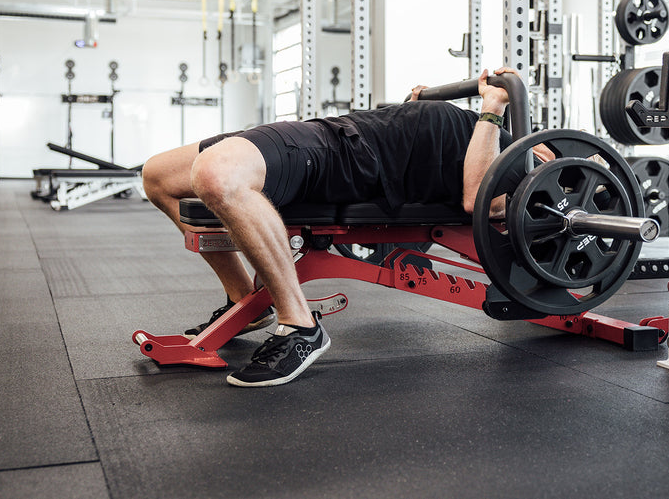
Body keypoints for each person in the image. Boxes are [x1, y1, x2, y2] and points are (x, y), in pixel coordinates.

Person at [142, 67, 537, 388]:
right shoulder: (504, 146)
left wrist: (492, 108)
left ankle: (300, 325)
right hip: (331, 131)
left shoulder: (518, 172)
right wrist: (418, 104)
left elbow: (476, 198)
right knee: (157, 175)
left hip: (345, 154)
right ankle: (243, 298)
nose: (550, 152)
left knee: (215, 175)